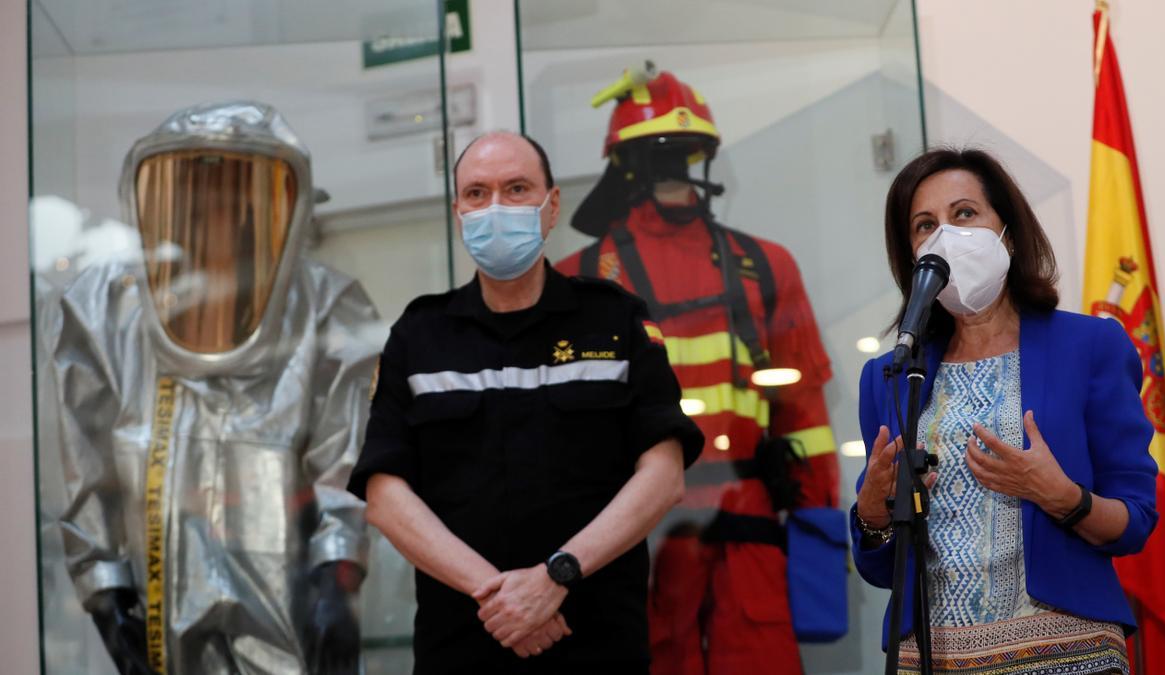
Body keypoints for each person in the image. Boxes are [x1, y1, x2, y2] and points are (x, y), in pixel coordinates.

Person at [347, 130, 704, 674]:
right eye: (477, 193)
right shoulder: (419, 336)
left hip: (597, 647)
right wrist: (502, 597)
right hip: (460, 651)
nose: (495, 207)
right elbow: (385, 496)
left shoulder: (616, 320)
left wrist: (556, 575)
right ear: (457, 210)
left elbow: (663, 475)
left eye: (516, 188)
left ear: (551, 204)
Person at [51, 101, 377, 674]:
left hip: (287, 597)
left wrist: (336, 578)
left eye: (231, 198)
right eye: (197, 197)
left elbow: (345, 468)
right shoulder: (103, 310)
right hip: (160, 597)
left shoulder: (326, 305)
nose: (213, 216)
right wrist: (104, 589)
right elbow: (89, 468)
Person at [557, 66, 840, 675]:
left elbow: (805, 416)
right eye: (660, 156)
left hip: (751, 536)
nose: (676, 171)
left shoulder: (766, 266)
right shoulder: (574, 280)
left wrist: (820, 532)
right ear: (625, 166)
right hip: (637, 543)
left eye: (686, 154)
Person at [851, 147, 1158, 674]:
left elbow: (1136, 521)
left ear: (1008, 234)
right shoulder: (893, 373)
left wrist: (1060, 496)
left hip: (1067, 654)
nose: (946, 235)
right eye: (926, 225)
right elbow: (882, 568)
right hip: (930, 659)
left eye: (964, 213)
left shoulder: (1091, 346)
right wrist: (873, 513)